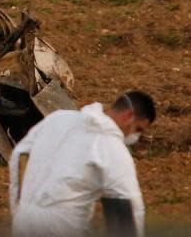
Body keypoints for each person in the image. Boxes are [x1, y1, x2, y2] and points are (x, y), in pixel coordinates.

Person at [8, 90, 156, 237]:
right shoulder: (112, 147)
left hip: (24, 221)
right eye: (138, 129)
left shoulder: (58, 118)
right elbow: (128, 204)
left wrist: (20, 207)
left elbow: (19, 155)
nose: (135, 136)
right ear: (129, 116)